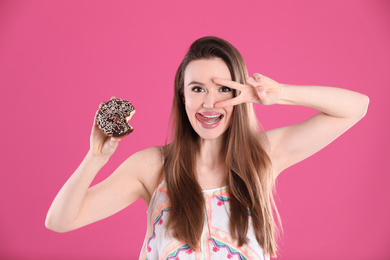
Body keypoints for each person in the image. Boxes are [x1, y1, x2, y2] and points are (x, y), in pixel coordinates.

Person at [45, 36, 369, 259]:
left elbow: (356, 107)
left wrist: (278, 93)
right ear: (183, 97)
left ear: (239, 94)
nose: (209, 102)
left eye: (223, 89)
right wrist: (94, 158)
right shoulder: (153, 166)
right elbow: (60, 221)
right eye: (197, 88)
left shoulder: (262, 156)